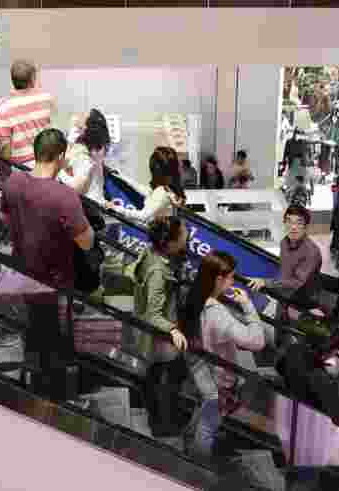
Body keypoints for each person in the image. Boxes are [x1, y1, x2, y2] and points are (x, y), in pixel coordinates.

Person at [1, 128, 94, 399]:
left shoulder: (14, 183)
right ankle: (51, 400)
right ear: (62, 156)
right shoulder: (64, 196)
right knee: (54, 347)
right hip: (55, 285)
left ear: (35, 152)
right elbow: (87, 242)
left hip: (21, 277)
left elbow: (6, 219)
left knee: (31, 337)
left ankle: (29, 393)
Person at [181, 251, 265, 461]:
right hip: (219, 380)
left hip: (203, 371)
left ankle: (186, 447)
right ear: (219, 279)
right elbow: (256, 341)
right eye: (232, 277)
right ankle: (196, 469)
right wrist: (247, 304)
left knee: (203, 415)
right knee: (208, 428)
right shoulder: (216, 313)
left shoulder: (194, 296)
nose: (234, 280)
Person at [133, 216, 189, 436]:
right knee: (168, 377)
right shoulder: (158, 271)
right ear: (170, 243)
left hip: (157, 336)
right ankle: (163, 425)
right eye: (183, 234)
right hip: (161, 337)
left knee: (157, 377)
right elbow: (152, 314)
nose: (187, 236)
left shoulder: (152, 252)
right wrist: (173, 329)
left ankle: (159, 419)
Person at [249, 204, 322, 300]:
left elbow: (297, 282)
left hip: (303, 299)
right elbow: (285, 270)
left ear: (306, 226)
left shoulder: (311, 251)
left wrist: (266, 283)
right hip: (283, 293)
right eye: (289, 221)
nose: (293, 227)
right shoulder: (284, 242)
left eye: (299, 223)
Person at [0, 59, 54, 168]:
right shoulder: (46, 99)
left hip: (19, 167)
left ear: (13, 79)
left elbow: (4, 145)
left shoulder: (3, 106)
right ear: (32, 79)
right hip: (45, 162)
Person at [109, 146, 185, 224]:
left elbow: (143, 216)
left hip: (157, 233)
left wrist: (115, 208)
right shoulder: (169, 189)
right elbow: (145, 190)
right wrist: (122, 176)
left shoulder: (162, 191)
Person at [59, 109, 111, 204]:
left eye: (83, 115)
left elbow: (77, 187)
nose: (80, 115)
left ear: (87, 127)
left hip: (87, 204)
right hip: (96, 199)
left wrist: (58, 171)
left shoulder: (83, 154)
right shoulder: (98, 147)